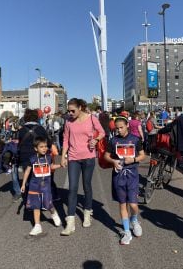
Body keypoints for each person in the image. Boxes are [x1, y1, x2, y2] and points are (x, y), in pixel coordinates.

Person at [60, 98, 105, 236]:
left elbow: (102, 132)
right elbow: (65, 139)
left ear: (80, 108)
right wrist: (63, 156)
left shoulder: (91, 118)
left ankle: (87, 212)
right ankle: (70, 223)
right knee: (72, 188)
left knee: (86, 185)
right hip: (73, 157)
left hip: (88, 157)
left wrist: (96, 139)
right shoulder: (68, 121)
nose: (70, 113)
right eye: (69, 111)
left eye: (73, 110)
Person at [103, 116, 146, 245]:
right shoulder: (113, 141)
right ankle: (127, 231)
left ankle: (134, 219)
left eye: (121, 127)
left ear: (127, 125)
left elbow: (143, 155)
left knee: (133, 204)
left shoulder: (135, 139)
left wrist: (133, 159)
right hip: (118, 175)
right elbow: (106, 156)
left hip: (132, 175)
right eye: (117, 128)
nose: (119, 130)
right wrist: (114, 161)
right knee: (122, 204)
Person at [21, 137, 61, 235]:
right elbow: (27, 171)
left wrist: (60, 165)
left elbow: (51, 167)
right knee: (35, 205)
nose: (44, 148)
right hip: (34, 185)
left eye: (45, 146)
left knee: (47, 203)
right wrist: (23, 184)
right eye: (41, 147)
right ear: (36, 148)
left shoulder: (48, 157)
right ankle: (37, 225)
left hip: (46, 185)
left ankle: (53, 213)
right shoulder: (32, 159)